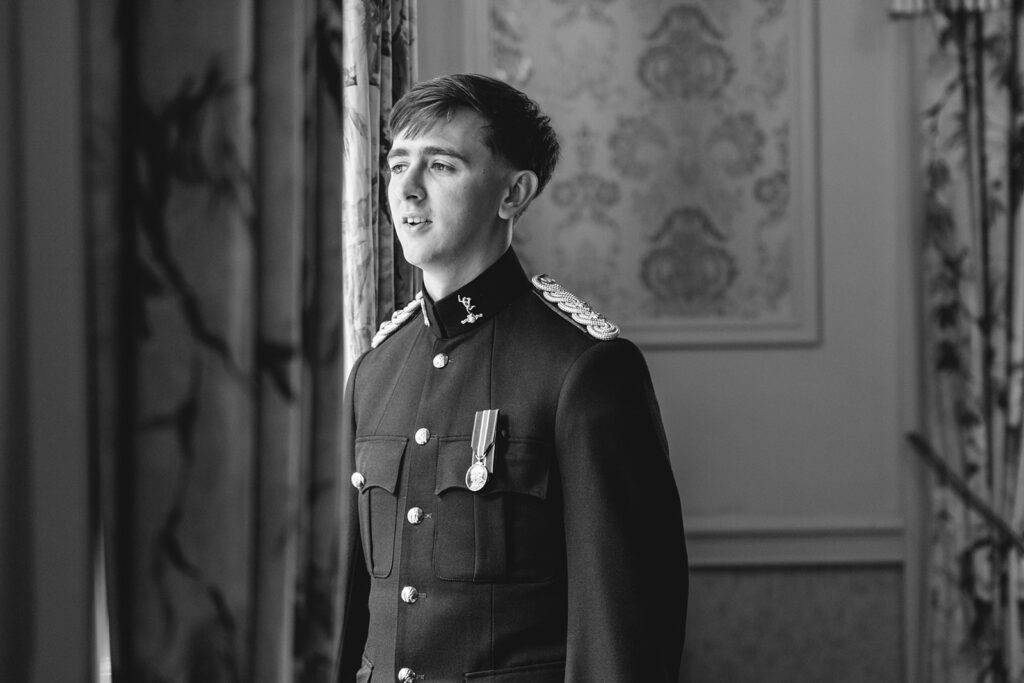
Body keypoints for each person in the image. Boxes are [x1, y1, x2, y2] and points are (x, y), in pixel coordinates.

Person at [335, 73, 687, 683]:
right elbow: (345, 609)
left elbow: (625, 631)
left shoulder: (584, 369)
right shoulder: (374, 370)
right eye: (398, 165)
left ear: (513, 192)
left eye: (441, 165)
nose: (408, 190)